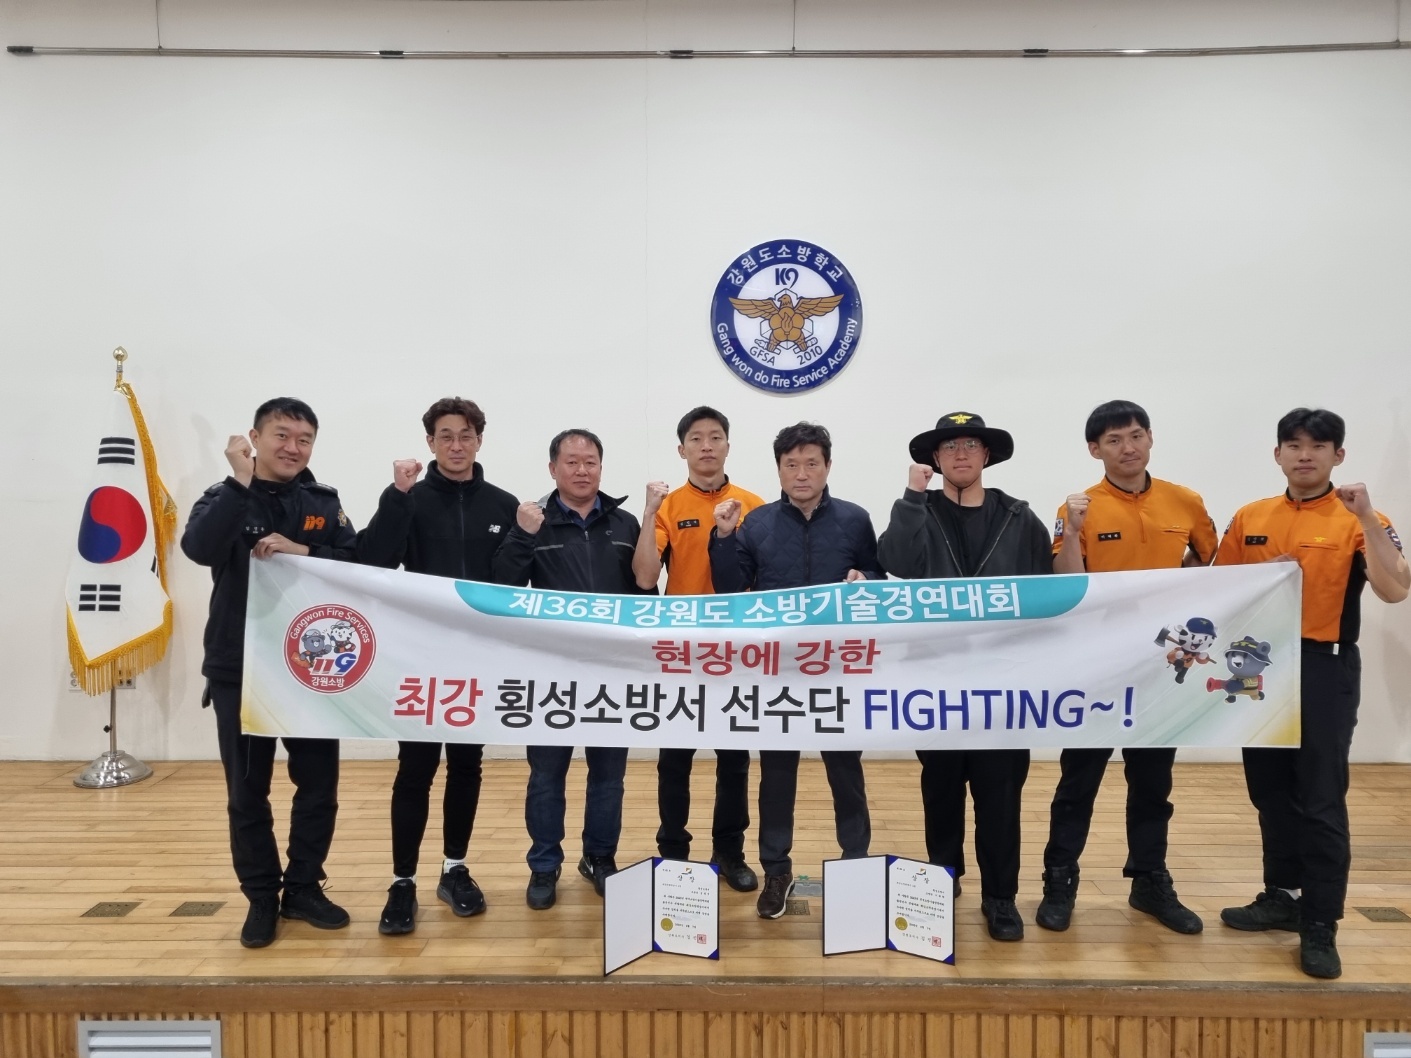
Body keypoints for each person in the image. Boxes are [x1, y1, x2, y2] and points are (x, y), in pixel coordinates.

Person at [1214, 408, 1407, 979]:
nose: (1305, 455)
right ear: (1277, 454)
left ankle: (1321, 921)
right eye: (1294, 445)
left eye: (1318, 446)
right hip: (1260, 666)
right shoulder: (1251, 516)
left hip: (1324, 666)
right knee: (1270, 791)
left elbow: (1396, 589)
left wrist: (1367, 516)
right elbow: (1216, 590)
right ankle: (1282, 895)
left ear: (1338, 456)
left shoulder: (1360, 519)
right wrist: (1259, 578)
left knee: (1321, 796)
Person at [181, 398, 357, 948]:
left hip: (311, 668)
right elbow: (198, 549)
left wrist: (304, 549)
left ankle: (302, 887)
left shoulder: (323, 502)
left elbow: (360, 564)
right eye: (282, 435)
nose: (293, 448)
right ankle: (261, 896)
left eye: (304, 439)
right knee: (247, 792)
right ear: (254, 438)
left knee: (319, 788)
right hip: (242, 668)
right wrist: (239, 483)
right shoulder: (225, 496)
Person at [1036, 400, 1217, 935]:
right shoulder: (1079, 506)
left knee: (1153, 781)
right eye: (1114, 440)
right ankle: (1059, 879)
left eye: (1136, 435)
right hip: (1099, 663)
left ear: (1150, 438)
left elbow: (1213, 563)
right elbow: (1066, 581)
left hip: (1162, 665)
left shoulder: (1186, 501)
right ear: (1095, 450)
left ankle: (1149, 880)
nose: (1128, 447)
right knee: (1079, 778)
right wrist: (1073, 531)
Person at [876, 411, 1051, 941]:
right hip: (937, 683)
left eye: (971, 445)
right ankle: (943, 875)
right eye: (950, 446)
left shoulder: (1019, 517)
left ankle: (1000, 897)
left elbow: (1044, 593)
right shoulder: (919, 510)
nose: (960, 454)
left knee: (1000, 796)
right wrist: (911, 496)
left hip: (1002, 687)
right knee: (941, 790)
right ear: (935, 458)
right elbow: (895, 560)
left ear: (986, 455)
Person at [357, 397, 521, 935]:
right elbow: (376, 560)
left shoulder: (503, 505)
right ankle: (402, 881)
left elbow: (512, 583)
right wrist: (396, 496)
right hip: (421, 659)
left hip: (478, 659)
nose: (456, 445)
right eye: (445, 436)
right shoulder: (411, 497)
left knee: (467, 766)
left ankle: (454, 868)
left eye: (465, 435)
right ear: (430, 442)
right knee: (415, 769)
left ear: (479, 440)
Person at [709, 422, 884, 919]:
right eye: (791, 465)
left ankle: (855, 862)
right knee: (777, 774)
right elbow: (730, 589)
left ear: (828, 466)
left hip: (837, 670)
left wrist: (865, 578)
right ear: (779, 470)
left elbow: (875, 573)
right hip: (779, 670)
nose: (802, 473)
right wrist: (723, 537)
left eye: (811, 463)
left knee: (846, 772)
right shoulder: (757, 522)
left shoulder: (854, 519)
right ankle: (776, 870)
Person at [491, 428, 654, 910]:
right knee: (546, 776)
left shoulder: (625, 523)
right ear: (553, 469)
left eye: (591, 462)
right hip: (551, 675)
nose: (582, 470)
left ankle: (599, 858)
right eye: (572, 462)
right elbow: (503, 586)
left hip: (612, 674)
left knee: (609, 777)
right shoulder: (532, 521)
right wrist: (522, 534)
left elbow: (645, 593)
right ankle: (544, 865)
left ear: (601, 467)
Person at [632, 406, 767, 892]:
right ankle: (673, 852)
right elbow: (645, 577)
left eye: (715, 437)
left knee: (734, 760)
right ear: (681, 449)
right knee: (676, 759)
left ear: (728, 445)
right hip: (682, 651)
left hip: (738, 652)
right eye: (696, 438)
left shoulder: (754, 505)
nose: (706, 446)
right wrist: (649, 513)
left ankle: (730, 851)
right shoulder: (669, 507)